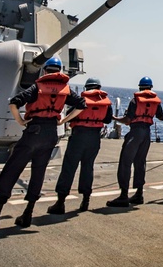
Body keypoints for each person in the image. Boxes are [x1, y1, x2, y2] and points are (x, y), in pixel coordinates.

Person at [0, 56, 85, 230]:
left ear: (44, 71)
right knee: (38, 172)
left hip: (33, 132)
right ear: (60, 72)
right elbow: (81, 104)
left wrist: (20, 121)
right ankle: (27, 214)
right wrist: (63, 120)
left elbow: (14, 102)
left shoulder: (38, 87)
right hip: (50, 134)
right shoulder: (65, 89)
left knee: (12, 169)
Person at [47, 77, 113, 214]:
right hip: (94, 138)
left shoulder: (81, 100)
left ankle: (60, 203)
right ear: (99, 87)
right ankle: (85, 200)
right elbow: (107, 119)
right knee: (87, 168)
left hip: (78, 137)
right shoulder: (106, 103)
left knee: (69, 168)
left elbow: (71, 114)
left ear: (86, 88)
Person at [106, 76, 163, 207]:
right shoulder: (156, 101)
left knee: (125, 162)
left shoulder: (135, 100)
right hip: (147, 134)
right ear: (151, 88)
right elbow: (161, 117)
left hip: (135, 133)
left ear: (140, 87)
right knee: (140, 163)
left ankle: (124, 195)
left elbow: (127, 120)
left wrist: (115, 118)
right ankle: (139, 193)